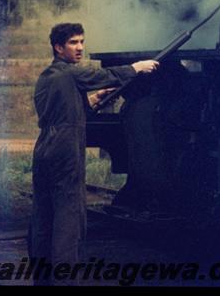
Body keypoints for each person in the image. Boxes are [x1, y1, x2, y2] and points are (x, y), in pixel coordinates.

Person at [28, 22, 158, 285]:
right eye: (73, 43)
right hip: (65, 149)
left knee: (43, 215)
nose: (80, 48)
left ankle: (42, 278)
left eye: (81, 42)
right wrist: (136, 68)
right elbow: (101, 75)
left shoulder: (48, 77)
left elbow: (63, 110)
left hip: (44, 148)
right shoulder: (70, 74)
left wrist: (95, 99)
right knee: (69, 216)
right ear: (58, 47)